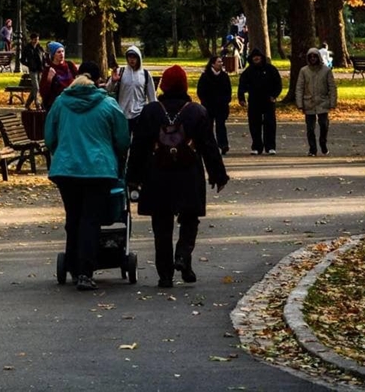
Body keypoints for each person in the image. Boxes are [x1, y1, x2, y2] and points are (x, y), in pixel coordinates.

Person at [128, 65, 229, 288]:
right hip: (188, 173)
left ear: (163, 85)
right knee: (190, 218)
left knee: (162, 226)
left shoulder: (151, 111)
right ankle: (183, 256)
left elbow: (138, 147)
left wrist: (133, 178)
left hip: (157, 174)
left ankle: (165, 275)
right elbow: (209, 146)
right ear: (184, 85)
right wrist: (218, 175)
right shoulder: (197, 111)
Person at [44, 61, 129, 291]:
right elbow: (122, 139)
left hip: (66, 169)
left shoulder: (61, 103)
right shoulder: (108, 105)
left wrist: (59, 152)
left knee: (73, 218)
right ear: (98, 80)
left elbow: (49, 135)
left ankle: (72, 263)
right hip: (98, 170)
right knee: (91, 219)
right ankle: (85, 271)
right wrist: (117, 156)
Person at [238, 48, 282, 154]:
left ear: (262, 58)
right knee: (254, 124)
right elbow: (242, 85)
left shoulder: (271, 69)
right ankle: (256, 147)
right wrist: (241, 98)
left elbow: (278, 84)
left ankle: (270, 147)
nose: (256, 58)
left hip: (268, 100)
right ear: (251, 59)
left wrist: (274, 95)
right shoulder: (248, 72)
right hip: (254, 100)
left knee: (270, 124)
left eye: (258, 56)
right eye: (254, 57)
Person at [295, 47, 337, 156]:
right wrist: (299, 103)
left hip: (322, 102)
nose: (313, 58)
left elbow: (332, 87)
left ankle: (323, 143)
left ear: (318, 57)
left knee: (324, 125)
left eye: (315, 56)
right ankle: (312, 149)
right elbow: (299, 87)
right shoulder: (304, 71)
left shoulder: (326, 70)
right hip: (308, 102)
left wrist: (332, 102)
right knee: (310, 128)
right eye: (311, 57)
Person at [105, 45, 156, 132]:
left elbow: (152, 97)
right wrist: (113, 81)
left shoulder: (145, 74)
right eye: (130, 56)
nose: (132, 59)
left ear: (139, 58)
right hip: (122, 113)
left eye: (134, 57)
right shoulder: (120, 72)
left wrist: (153, 114)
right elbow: (108, 89)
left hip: (139, 114)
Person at [196, 55, 233, 154]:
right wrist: (205, 102)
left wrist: (226, 100)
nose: (221, 63)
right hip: (208, 106)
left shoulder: (224, 76)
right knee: (208, 126)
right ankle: (209, 145)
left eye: (221, 62)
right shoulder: (205, 76)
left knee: (221, 126)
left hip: (221, 106)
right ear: (212, 64)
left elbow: (228, 91)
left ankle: (223, 145)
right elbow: (200, 91)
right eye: (219, 62)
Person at [41, 43, 78, 111]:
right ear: (53, 55)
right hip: (57, 105)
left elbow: (79, 79)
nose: (61, 54)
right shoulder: (48, 70)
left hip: (71, 103)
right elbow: (43, 93)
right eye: (58, 52)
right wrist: (49, 79)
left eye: (63, 51)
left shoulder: (70, 65)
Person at [21, 33, 47, 110]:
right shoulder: (27, 48)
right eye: (35, 39)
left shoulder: (40, 48)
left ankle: (27, 104)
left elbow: (43, 58)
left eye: (38, 39)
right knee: (36, 86)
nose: (37, 41)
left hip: (40, 69)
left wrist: (44, 66)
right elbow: (22, 60)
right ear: (31, 39)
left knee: (35, 88)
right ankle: (37, 104)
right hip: (32, 70)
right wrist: (29, 64)